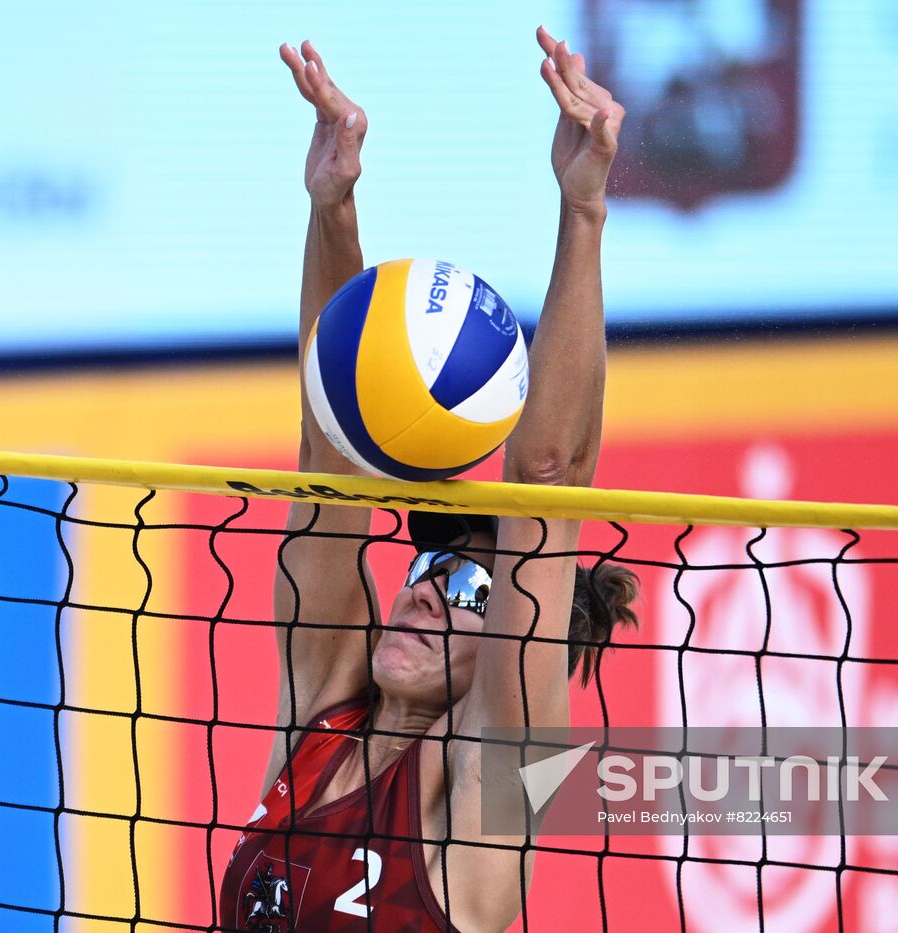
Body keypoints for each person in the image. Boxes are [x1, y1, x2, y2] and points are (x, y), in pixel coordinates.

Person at [220, 27, 639, 932]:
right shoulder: (324, 714)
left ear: (512, 645)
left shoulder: (492, 782)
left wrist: (584, 210)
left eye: (471, 587)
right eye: (429, 571)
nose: (424, 594)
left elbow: (547, 477)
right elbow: (328, 442)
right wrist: (333, 207)